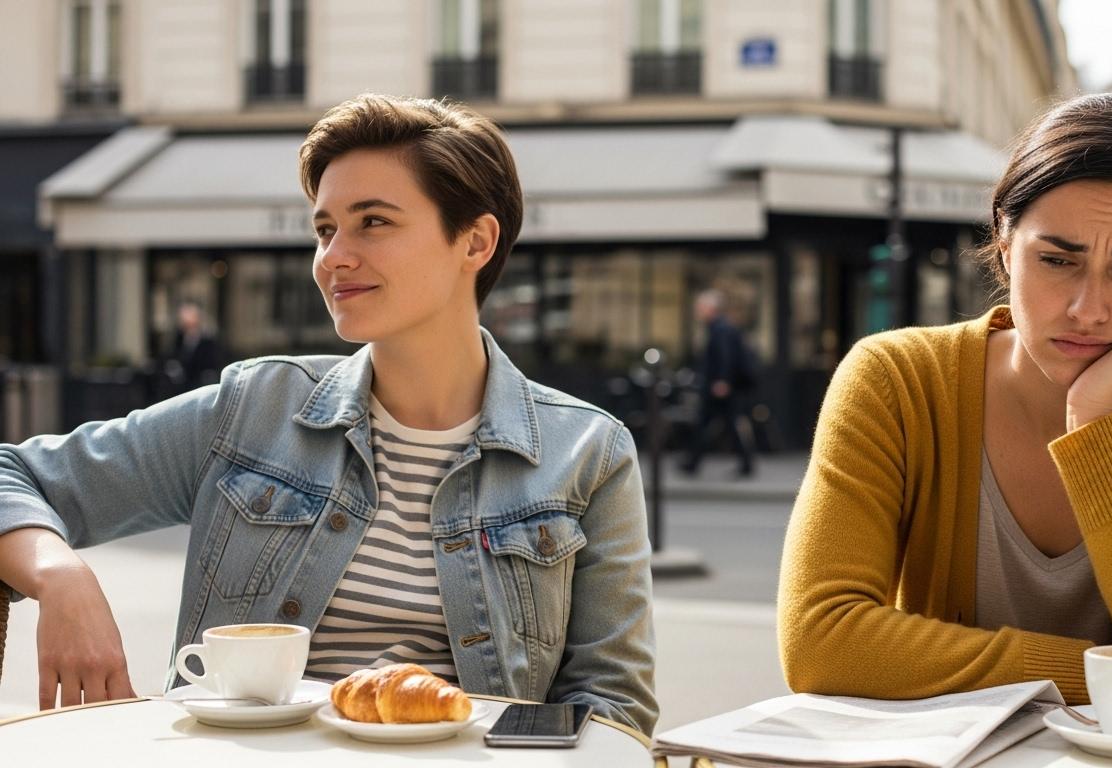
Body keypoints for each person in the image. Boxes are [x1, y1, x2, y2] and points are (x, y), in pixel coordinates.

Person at [0, 95, 657, 733]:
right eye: (325, 228)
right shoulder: (252, 411)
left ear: (476, 242)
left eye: (373, 221)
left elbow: (611, 707)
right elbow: (13, 476)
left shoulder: (588, 452)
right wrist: (62, 575)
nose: (333, 257)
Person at [778, 93, 1112, 712]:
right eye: (1057, 260)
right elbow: (820, 643)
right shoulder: (897, 381)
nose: (1088, 309)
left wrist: (1096, 424)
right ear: (1004, 239)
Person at [679, 289, 755, 478]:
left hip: (719, 387)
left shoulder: (720, 329)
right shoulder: (720, 327)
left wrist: (722, 380)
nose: (698, 311)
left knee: (717, 423)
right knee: (715, 423)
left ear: (711, 308)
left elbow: (725, 356)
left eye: (701, 307)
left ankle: (694, 462)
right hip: (719, 386)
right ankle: (693, 462)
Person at [169, 300, 223, 392]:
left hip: (199, 386)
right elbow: (174, 356)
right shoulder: (178, 338)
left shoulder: (208, 341)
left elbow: (211, 364)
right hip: (182, 386)